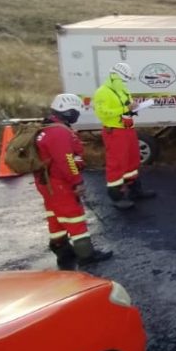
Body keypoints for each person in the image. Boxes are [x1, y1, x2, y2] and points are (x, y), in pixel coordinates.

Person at [35, 93, 113, 269]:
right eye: (76, 111)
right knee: (73, 217)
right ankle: (86, 255)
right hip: (59, 183)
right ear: (68, 111)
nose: (77, 114)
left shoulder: (45, 128)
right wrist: (76, 181)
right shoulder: (59, 132)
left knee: (55, 217)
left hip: (46, 182)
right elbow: (67, 160)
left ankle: (62, 250)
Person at [92, 61, 156, 210]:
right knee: (117, 163)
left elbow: (127, 106)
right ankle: (116, 196)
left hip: (127, 129)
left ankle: (135, 190)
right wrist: (124, 108)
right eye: (123, 79)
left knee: (132, 161)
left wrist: (134, 108)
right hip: (114, 131)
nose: (125, 82)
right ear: (116, 76)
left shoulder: (122, 89)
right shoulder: (103, 91)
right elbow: (102, 113)